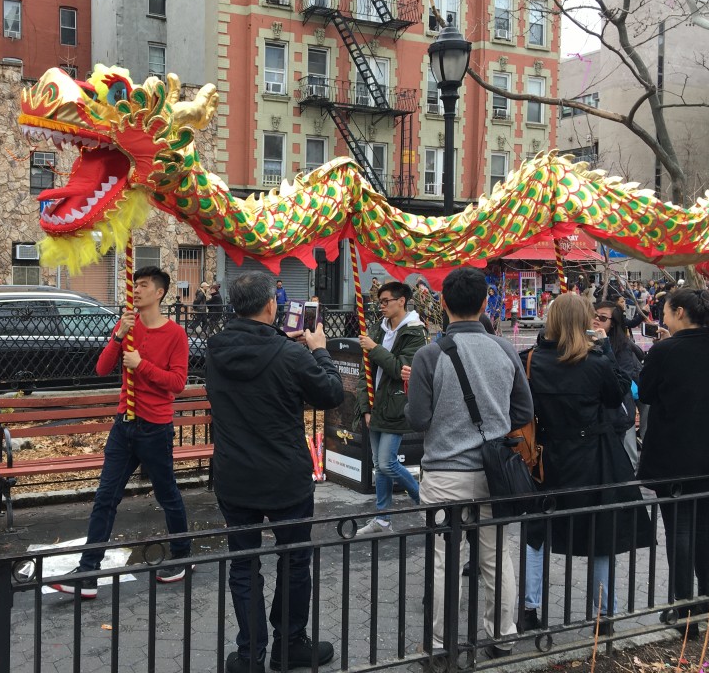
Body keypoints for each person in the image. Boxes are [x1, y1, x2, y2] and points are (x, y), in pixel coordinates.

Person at [206, 271, 344, 672]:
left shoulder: (215, 349)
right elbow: (331, 393)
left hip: (235, 476)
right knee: (294, 560)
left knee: (244, 563)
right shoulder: (291, 354)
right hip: (286, 476)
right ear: (271, 305)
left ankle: (250, 655)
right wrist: (318, 351)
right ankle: (290, 643)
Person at [405, 266, 534, 660]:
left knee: (445, 560)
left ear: (442, 304)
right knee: (497, 556)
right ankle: (503, 635)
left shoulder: (429, 355)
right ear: (484, 304)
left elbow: (418, 419)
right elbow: (524, 409)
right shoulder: (505, 349)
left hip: (444, 474)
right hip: (494, 473)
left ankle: (443, 644)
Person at [49, 266, 191, 597]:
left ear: (159, 293)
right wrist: (117, 336)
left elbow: (177, 383)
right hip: (123, 426)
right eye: (134, 284)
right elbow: (101, 368)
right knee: (105, 497)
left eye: (143, 285)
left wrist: (141, 365)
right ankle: (87, 572)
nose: (136, 290)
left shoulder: (175, 335)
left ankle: (183, 555)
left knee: (167, 493)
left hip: (155, 428)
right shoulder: (127, 326)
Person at [519, 294, 649, 634]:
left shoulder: (532, 360)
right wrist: (605, 350)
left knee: (538, 533)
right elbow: (617, 393)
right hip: (593, 455)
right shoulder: (595, 362)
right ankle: (603, 615)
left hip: (547, 456)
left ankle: (530, 608)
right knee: (599, 533)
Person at [638, 288, 709, 638]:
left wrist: (660, 352)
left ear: (679, 312)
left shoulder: (665, 350)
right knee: (703, 525)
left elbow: (647, 393)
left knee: (678, 530)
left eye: (665, 312)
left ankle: (683, 608)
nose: (662, 318)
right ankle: (708, 599)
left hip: (672, 455)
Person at [354, 281, 424, 534]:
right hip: (375, 406)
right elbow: (365, 373)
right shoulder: (378, 329)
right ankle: (383, 519)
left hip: (395, 405)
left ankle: (425, 501)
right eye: (379, 302)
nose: (381, 306)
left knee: (387, 463)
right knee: (378, 464)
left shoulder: (415, 332)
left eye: (386, 301)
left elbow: (400, 370)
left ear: (401, 301)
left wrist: (375, 349)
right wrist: (366, 408)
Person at [593, 300, 643, 467]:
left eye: (602, 318)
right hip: (592, 416)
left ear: (613, 324)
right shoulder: (581, 341)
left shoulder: (621, 346)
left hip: (616, 414)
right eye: (593, 315)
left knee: (618, 463)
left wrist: (604, 345)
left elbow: (623, 381)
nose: (596, 320)